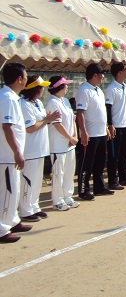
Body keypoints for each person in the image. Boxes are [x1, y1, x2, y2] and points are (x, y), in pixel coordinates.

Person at [17, 75, 59, 221]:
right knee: (28, 180)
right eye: (41, 87)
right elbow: (30, 128)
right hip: (30, 150)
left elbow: (41, 122)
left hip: (40, 149)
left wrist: (47, 119)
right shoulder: (23, 104)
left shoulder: (38, 103)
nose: (43, 89)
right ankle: (25, 210)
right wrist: (46, 120)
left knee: (36, 180)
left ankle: (34, 206)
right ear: (34, 88)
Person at [0, 63, 30, 243]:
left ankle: (12, 219)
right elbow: (7, 127)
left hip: (11, 156)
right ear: (19, 79)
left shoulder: (12, 97)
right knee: (7, 190)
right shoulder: (7, 98)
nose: (26, 79)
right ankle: (2, 227)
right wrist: (17, 152)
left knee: (14, 189)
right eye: (25, 76)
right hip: (6, 155)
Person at [76, 63, 112, 201]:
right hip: (90, 134)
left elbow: (101, 111)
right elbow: (80, 113)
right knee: (87, 164)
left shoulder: (99, 90)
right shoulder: (84, 90)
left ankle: (99, 187)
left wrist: (106, 128)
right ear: (95, 75)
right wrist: (83, 132)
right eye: (101, 74)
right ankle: (83, 190)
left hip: (101, 133)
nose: (103, 76)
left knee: (100, 162)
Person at [47, 75, 79, 212]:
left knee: (69, 172)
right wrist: (70, 138)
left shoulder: (65, 101)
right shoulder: (52, 102)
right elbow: (57, 125)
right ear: (59, 87)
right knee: (58, 173)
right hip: (58, 145)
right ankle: (58, 200)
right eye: (65, 85)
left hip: (69, 145)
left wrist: (75, 136)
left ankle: (67, 196)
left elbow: (72, 120)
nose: (67, 87)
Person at [105, 62, 126, 189]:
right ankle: (112, 180)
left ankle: (124, 177)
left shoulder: (124, 87)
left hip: (124, 124)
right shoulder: (111, 89)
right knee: (114, 154)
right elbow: (108, 107)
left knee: (124, 153)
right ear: (119, 73)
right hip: (115, 126)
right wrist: (110, 124)